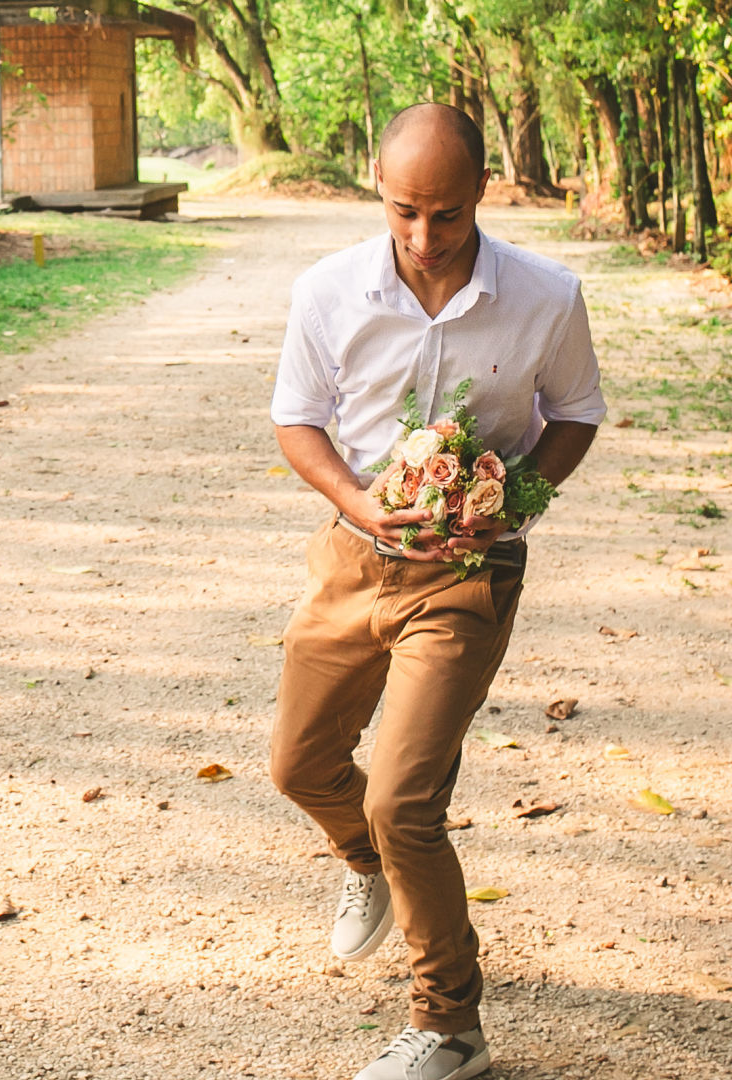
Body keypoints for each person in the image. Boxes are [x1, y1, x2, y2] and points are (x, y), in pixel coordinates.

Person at [267, 103, 604, 1080]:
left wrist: (516, 498)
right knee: (299, 764)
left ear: (483, 195)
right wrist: (359, 504)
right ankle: (369, 863)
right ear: (378, 188)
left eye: (446, 215)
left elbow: (575, 411)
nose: (423, 238)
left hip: (469, 572)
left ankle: (451, 1021)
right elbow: (298, 422)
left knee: (406, 798)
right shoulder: (329, 290)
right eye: (404, 210)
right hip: (351, 555)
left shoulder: (546, 295)